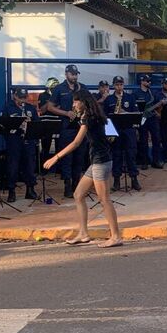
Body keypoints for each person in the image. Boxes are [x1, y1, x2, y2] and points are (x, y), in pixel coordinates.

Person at [43, 90, 122, 248]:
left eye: (75, 102)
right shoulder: (94, 116)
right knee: (78, 194)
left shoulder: (88, 118)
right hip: (98, 162)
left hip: (101, 162)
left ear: (84, 102)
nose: (73, 105)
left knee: (104, 199)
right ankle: (84, 233)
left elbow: (76, 143)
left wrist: (55, 157)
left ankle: (116, 236)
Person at [46, 64, 87, 198]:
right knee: (67, 157)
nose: (74, 76)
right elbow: (50, 107)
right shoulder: (59, 89)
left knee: (80, 157)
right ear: (66, 74)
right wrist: (66, 113)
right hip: (66, 127)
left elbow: (89, 103)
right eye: (72, 74)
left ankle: (77, 184)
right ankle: (67, 186)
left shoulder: (82, 87)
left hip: (81, 126)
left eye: (76, 74)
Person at [103, 75, 141, 191]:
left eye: (121, 84)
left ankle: (134, 179)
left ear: (123, 85)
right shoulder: (109, 100)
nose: (119, 87)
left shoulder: (130, 97)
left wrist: (124, 112)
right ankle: (116, 180)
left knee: (131, 155)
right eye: (117, 85)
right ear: (114, 86)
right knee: (116, 155)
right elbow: (105, 117)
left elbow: (136, 114)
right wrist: (108, 133)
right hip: (115, 130)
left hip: (128, 129)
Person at [1, 88, 38, 202]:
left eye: (24, 97)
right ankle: (11, 191)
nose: (22, 100)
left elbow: (38, 123)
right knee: (13, 166)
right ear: (14, 96)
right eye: (20, 97)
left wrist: (30, 123)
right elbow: (3, 125)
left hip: (28, 140)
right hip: (14, 140)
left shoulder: (30, 107)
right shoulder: (8, 107)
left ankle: (30, 189)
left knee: (30, 165)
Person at [135, 74, 163, 170]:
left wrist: (158, 111)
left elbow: (158, 105)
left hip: (152, 118)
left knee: (156, 139)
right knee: (143, 140)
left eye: (149, 81)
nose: (149, 82)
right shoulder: (136, 93)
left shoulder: (153, 93)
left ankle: (156, 161)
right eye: (147, 81)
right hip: (142, 119)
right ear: (142, 82)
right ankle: (144, 161)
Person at [37, 77, 58, 171]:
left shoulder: (59, 95)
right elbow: (42, 110)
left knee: (59, 146)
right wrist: (51, 101)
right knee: (46, 146)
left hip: (57, 122)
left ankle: (58, 169)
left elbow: (60, 108)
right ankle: (44, 168)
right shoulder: (42, 95)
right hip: (46, 124)